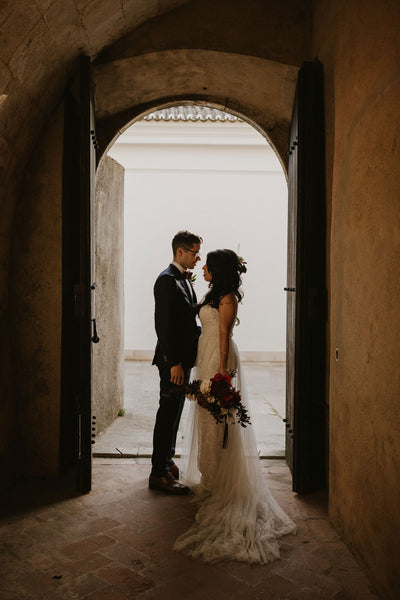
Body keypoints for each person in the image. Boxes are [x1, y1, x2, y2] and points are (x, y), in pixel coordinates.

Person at [174, 249, 296, 562]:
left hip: (219, 356)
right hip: (206, 353)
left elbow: (225, 332)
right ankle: (209, 477)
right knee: (206, 419)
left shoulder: (228, 297)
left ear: (219, 270)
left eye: (208, 267)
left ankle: (220, 482)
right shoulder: (212, 293)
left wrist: (221, 370)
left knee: (219, 422)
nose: (203, 270)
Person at [149, 230, 202, 494]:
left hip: (183, 359)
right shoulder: (166, 281)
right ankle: (158, 473)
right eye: (194, 253)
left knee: (175, 413)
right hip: (173, 362)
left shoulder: (184, 279)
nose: (197, 258)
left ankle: (167, 462)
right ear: (180, 252)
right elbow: (164, 326)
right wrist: (173, 363)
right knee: (167, 412)